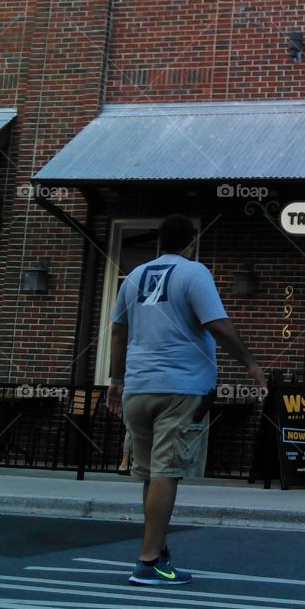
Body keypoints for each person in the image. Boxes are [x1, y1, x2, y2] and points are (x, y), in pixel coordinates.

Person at [106, 214, 267, 585]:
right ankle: (148, 562)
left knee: (150, 473)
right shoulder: (194, 273)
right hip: (180, 387)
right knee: (167, 472)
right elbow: (217, 324)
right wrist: (250, 363)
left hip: (137, 388)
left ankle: (158, 549)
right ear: (191, 241)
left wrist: (115, 380)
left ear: (159, 241)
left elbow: (117, 330)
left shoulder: (133, 277)